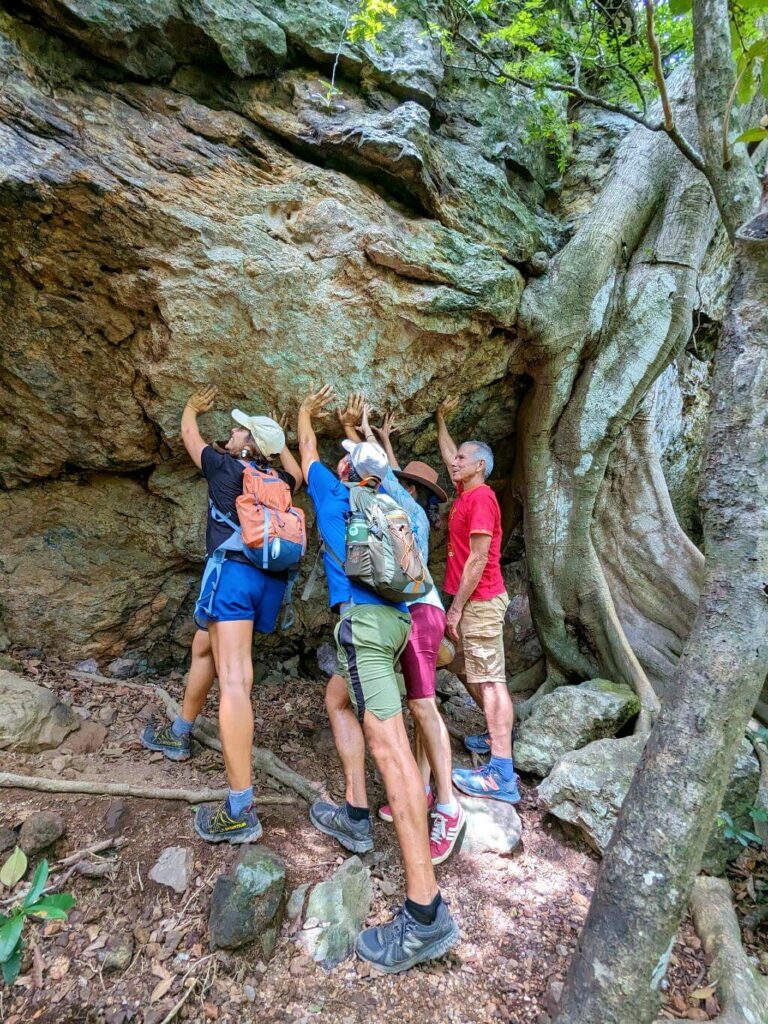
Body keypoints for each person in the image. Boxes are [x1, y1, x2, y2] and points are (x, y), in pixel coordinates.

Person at [298, 385, 459, 973]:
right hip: (398, 619)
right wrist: (364, 433)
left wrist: (302, 415)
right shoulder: (401, 502)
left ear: (345, 470)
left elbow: (305, 449)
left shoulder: (330, 491)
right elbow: (380, 465)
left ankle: (424, 914)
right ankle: (356, 813)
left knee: (390, 751)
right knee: (337, 699)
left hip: (363, 629)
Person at [141, 386, 303, 844]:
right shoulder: (280, 483)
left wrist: (190, 406)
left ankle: (240, 808)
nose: (229, 432)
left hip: (231, 576)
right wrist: (279, 440)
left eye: (238, 428)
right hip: (266, 583)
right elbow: (295, 470)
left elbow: (190, 436)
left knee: (235, 680)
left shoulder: (225, 466)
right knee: (204, 645)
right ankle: (180, 732)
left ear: (247, 443)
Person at [336, 397, 464, 865]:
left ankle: (448, 808)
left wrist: (359, 428)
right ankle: (427, 790)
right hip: (418, 614)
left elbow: (373, 466)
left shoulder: (395, 501)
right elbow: (380, 466)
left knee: (424, 706)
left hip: (419, 614)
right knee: (417, 705)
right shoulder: (414, 512)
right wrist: (370, 432)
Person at [435, 396, 520, 804]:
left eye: (464, 459)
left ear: (480, 466)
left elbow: (480, 557)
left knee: (490, 680)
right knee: (482, 673)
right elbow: (450, 452)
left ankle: (502, 773)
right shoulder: (466, 489)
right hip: (476, 600)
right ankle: (495, 734)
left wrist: (456, 606)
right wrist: (440, 420)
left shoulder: (482, 498)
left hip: (481, 600)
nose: (456, 462)